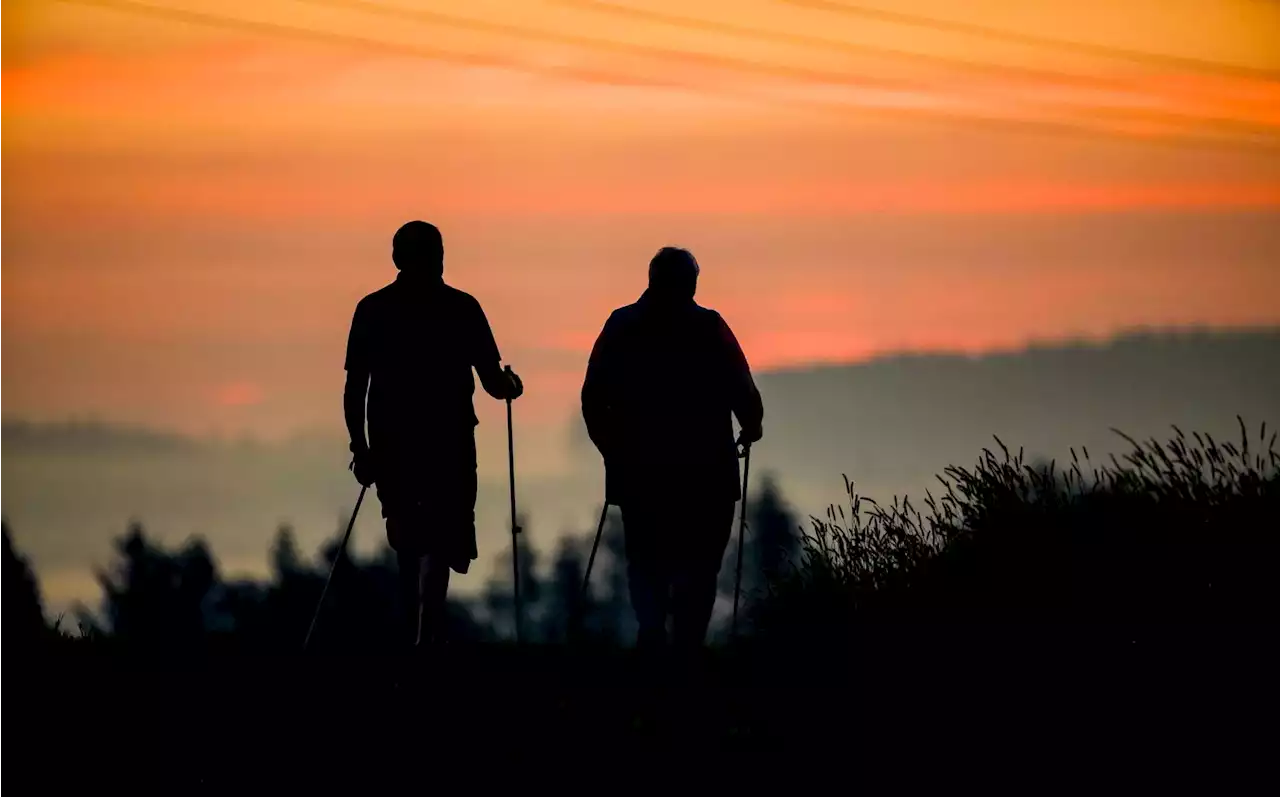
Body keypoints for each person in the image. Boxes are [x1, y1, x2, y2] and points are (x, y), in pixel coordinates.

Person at [344, 220, 523, 655]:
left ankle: (416, 631)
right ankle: (428, 631)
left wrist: (360, 447)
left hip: (394, 443)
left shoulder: (373, 310)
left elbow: (355, 389)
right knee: (440, 537)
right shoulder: (461, 308)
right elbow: (492, 382)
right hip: (449, 442)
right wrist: (511, 385)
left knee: (409, 537)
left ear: (397, 259)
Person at [581, 246, 763, 661]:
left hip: (639, 470)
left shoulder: (621, 326)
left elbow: (593, 397)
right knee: (701, 562)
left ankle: (652, 631)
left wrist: (611, 451)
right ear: (692, 284)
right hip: (708, 472)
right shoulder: (711, 328)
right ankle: (688, 645)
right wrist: (751, 425)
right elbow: (742, 388)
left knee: (646, 558)